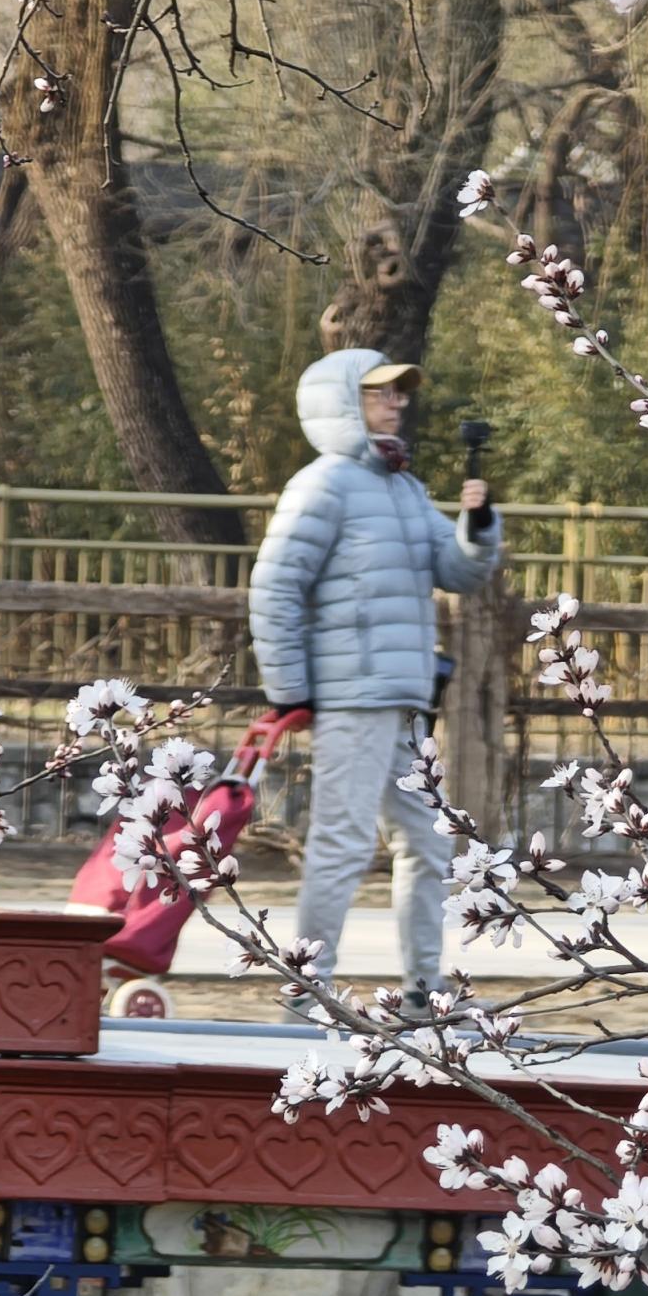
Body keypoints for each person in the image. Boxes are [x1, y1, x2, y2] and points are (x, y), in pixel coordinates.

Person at [248, 348, 499, 1003]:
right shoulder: (323, 485)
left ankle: (423, 992)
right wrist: (290, 691)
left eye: (399, 393)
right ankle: (308, 993)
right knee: (343, 842)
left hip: (405, 701)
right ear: (341, 403)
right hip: (352, 700)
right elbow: (274, 588)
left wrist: (478, 526)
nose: (397, 403)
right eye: (380, 393)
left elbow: (458, 573)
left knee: (428, 844)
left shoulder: (403, 488)